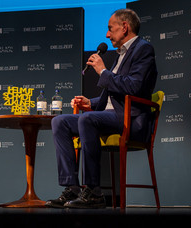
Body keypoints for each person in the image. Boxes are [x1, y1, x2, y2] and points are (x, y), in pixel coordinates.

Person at [45, 9, 157, 209]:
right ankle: (72, 187)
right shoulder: (120, 54)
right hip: (111, 115)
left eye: (110, 29)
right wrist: (91, 103)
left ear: (125, 27)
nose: (107, 35)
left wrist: (103, 71)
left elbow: (135, 87)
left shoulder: (143, 49)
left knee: (87, 120)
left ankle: (94, 191)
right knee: (59, 121)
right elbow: (115, 94)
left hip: (131, 118)